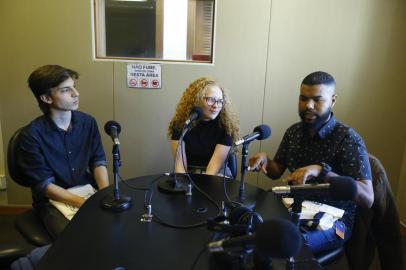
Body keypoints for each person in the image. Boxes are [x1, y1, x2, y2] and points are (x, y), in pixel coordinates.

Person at [249, 71, 374, 254]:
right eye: (303, 98)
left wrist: (322, 171)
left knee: (287, 246)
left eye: (317, 100)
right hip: (294, 206)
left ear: (333, 100)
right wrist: (265, 160)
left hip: (333, 219)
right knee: (247, 226)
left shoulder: (348, 139)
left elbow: (368, 198)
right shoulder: (294, 132)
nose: (308, 105)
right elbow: (276, 171)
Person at [17, 65, 109, 239]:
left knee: (116, 228)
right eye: (66, 90)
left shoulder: (88, 122)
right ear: (46, 98)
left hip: (88, 192)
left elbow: (98, 161)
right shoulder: (31, 135)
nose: (76, 93)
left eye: (74, 87)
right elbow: (45, 186)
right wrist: (84, 203)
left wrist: (104, 194)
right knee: (75, 240)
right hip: (52, 202)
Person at [168, 77, 239, 177]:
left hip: (218, 174)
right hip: (190, 173)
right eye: (211, 100)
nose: (216, 106)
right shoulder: (181, 124)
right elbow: (180, 169)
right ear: (196, 100)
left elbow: (211, 172)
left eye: (220, 101)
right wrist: (183, 187)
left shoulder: (226, 126)